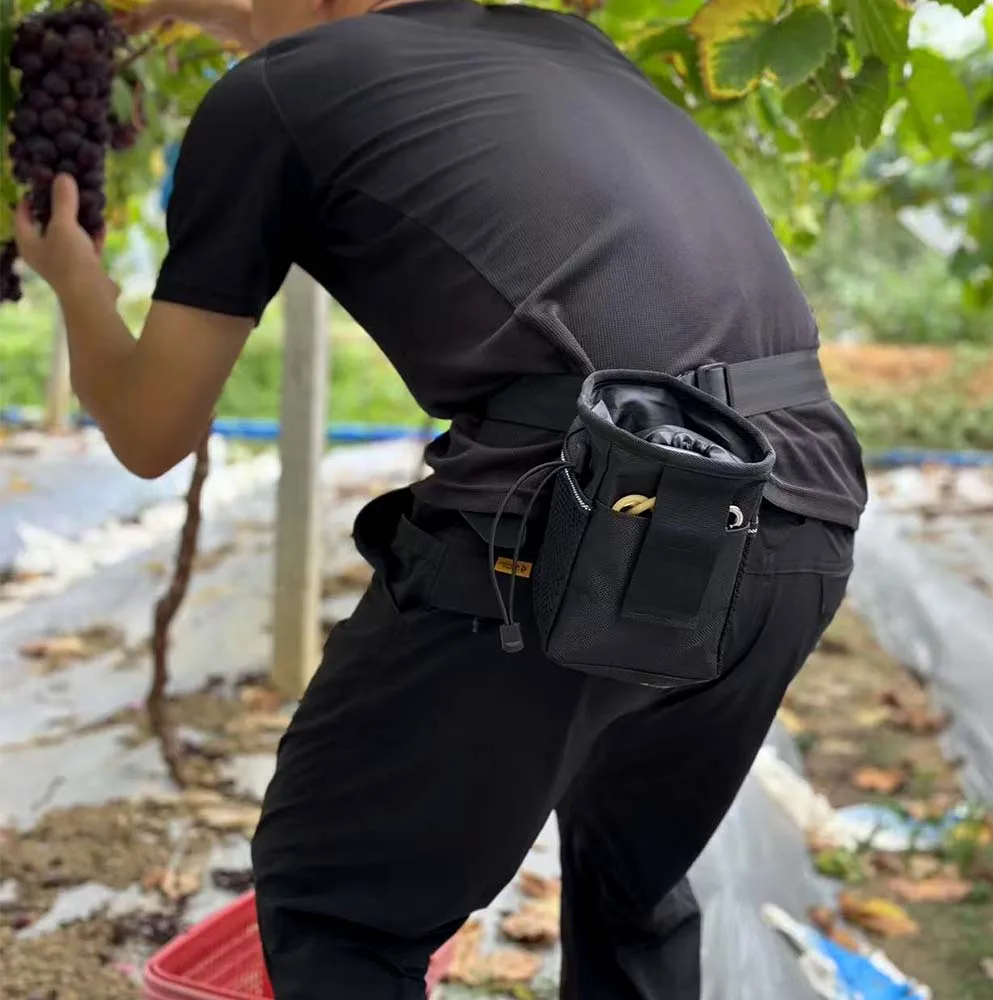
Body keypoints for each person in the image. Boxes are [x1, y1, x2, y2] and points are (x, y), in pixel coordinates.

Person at [16, 0, 867, 997]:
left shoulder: (270, 97)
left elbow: (151, 431)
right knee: (628, 894)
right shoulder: (561, 43)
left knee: (338, 904)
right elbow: (324, 43)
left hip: (598, 505)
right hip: (798, 496)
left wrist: (74, 278)